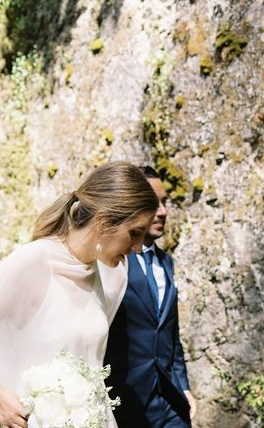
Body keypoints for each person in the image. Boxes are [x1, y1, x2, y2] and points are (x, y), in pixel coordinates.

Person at [0, 161, 159, 428]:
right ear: (104, 221)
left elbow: (92, 362)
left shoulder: (115, 274)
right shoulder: (32, 261)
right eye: (135, 233)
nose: (139, 248)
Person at [104, 166, 197, 428]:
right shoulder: (112, 263)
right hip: (128, 403)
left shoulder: (167, 262)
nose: (163, 211)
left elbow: (170, 334)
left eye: (165, 202)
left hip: (171, 401)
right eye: (153, 203)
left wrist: (184, 386)